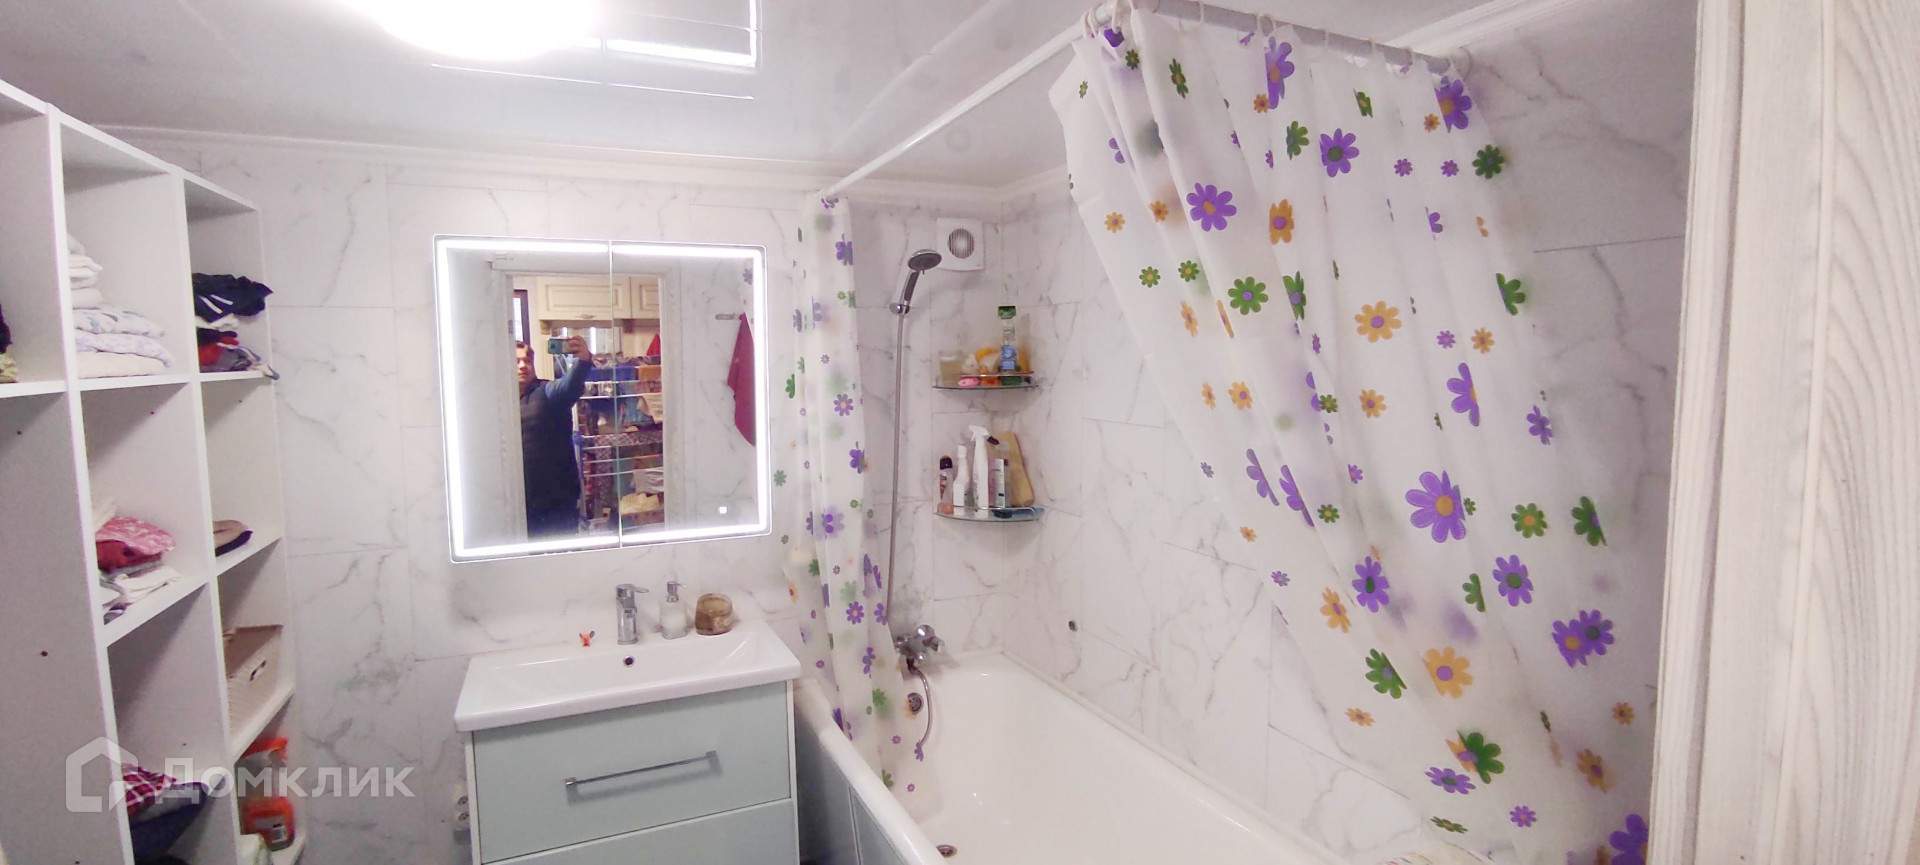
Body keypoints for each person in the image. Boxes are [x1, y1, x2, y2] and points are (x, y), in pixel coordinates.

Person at [518, 336, 594, 537]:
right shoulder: (498, 404)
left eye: (527, 360)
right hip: (520, 502)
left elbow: (569, 386)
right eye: (516, 361)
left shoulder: (547, 392)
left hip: (557, 499)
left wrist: (583, 361)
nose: (523, 366)